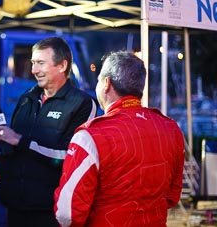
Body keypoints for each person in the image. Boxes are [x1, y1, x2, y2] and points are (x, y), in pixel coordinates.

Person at [54, 50, 186, 227]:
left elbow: (67, 213)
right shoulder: (171, 128)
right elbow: (172, 196)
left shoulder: (90, 137)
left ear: (106, 83)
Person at [0, 37, 98, 227]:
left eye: (41, 63)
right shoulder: (27, 99)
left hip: (50, 212)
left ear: (62, 65)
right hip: (15, 208)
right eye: (33, 63)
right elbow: (16, 148)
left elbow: (71, 157)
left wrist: (21, 141)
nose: (34, 70)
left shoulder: (81, 103)